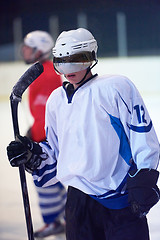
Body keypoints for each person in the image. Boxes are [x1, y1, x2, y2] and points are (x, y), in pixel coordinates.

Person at [7, 28, 160, 240]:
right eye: (61, 61)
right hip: (77, 202)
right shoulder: (56, 101)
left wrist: (145, 175)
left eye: (75, 60)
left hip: (121, 198)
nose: (68, 68)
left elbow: (141, 133)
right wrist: (33, 155)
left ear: (90, 58)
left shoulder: (116, 88)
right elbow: (56, 152)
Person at [21, 30, 67, 238]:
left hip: (46, 138)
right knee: (54, 179)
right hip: (44, 134)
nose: (24, 51)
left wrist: (35, 136)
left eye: (29, 47)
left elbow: (49, 112)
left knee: (42, 178)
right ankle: (67, 215)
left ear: (40, 50)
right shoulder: (42, 71)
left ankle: (54, 221)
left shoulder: (44, 74)